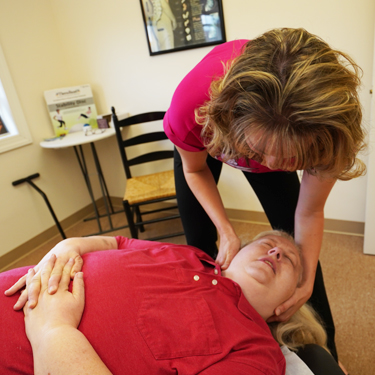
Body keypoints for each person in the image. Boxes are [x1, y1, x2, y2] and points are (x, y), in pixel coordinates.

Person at [163, 27, 366, 360]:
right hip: (209, 142)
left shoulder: (329, 134)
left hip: (263, 131)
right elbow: (196, 170)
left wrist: (307, 279)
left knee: (301, 263)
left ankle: (328, 354)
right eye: (258, 151)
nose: (269, 165)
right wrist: (227, 232)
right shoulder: (193, 107)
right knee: (200, 243)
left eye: (290, 160)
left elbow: (309, 213)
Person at [2, 231, 344, 374]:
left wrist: (53, 331)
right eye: (267, 243)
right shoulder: (189, 255)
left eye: (290, 262)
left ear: (286, 305)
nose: (276, 251)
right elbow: (116, 241)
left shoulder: (256, 354)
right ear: (230, 257)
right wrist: (69, 245)